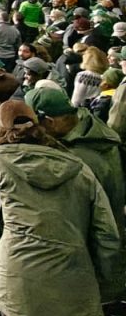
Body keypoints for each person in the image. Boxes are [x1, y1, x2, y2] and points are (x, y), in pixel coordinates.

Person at [0, 100, 122, 316]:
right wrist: (102, 287)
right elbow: (108, 236)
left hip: (17, 279)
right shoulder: (79, 168)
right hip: (73, 282)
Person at [26, 82, 126, 241]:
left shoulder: (75, 159)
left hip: (90, 242)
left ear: (50, 122)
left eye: (34, 124)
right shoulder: (94, 131)